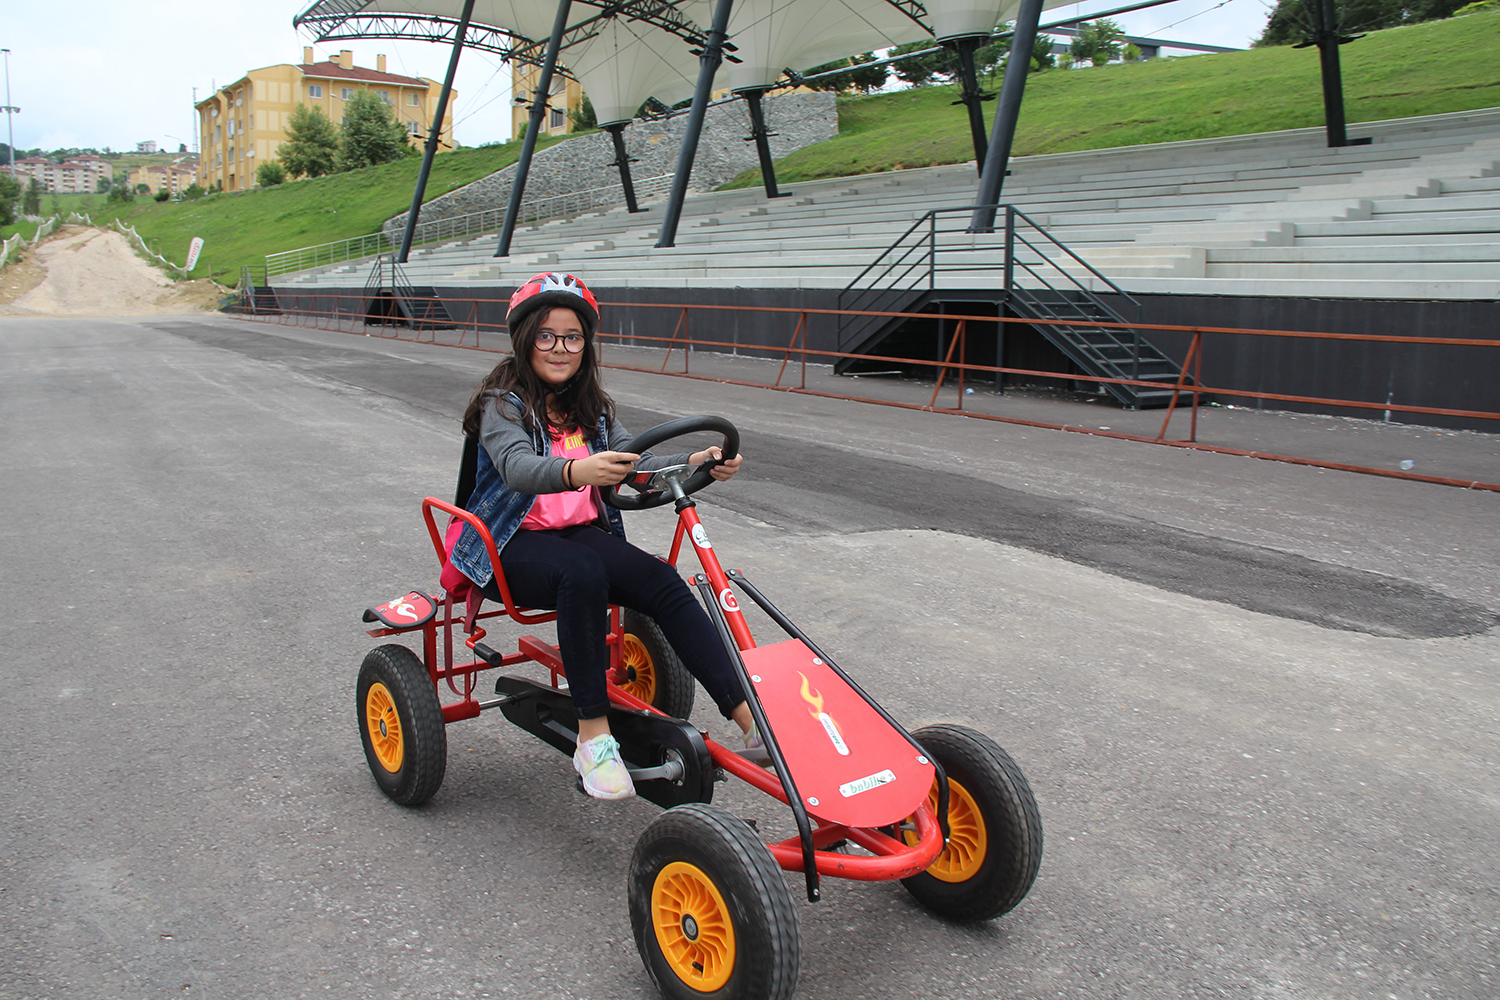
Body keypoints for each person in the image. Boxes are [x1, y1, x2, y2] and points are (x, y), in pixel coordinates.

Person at [448, 272, 757, 801]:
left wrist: (696, 461)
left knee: (660, 578)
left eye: (572, 337)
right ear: (525, 339)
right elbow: (519, 467)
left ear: (586, 345)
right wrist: (577, 471)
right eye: (546, 336)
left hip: (577, 536)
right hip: (507, 546)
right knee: (581, 572)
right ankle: (593, 737)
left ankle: (753, 714)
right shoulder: (503, 405)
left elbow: (633, 464)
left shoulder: (590, 409)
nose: (560, 348)